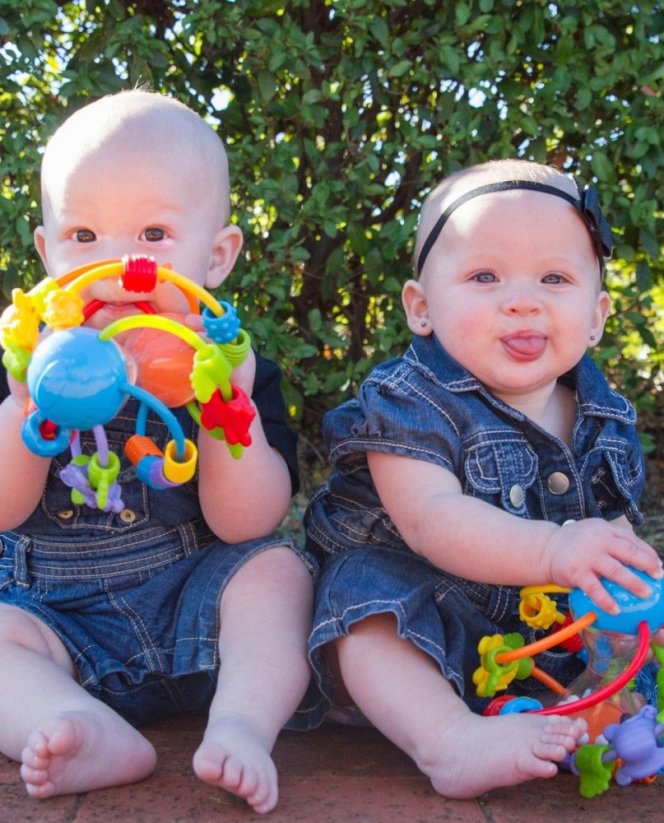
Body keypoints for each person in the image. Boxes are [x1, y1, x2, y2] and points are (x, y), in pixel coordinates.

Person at [0, 89, 322, 814]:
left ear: (215, 256)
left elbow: (249, 524)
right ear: (48, 254)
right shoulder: (25, 367)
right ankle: (86, 727)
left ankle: (241, 721)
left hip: (193, 609)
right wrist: (27, 403)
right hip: (55, 620)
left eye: (152, 233)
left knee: (276, 573)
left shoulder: (229, 368)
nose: (116, 263)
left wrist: (224, 412)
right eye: (84, 237)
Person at [305, 158, 663, 799]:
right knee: (362, 603)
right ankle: (447, 740)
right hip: (427, 614)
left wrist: (636, 592)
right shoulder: (410, 398)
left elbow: (612, 531)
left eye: (554, 278)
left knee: (631, 632)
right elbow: (430, 520)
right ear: (422, 307)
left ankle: (590, 710)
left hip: (539, 639)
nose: (522, 300)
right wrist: (555, 550)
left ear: (596, 316)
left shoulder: (605, 417)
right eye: (484, 276)